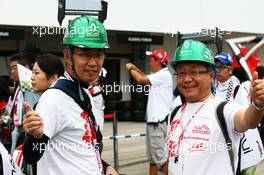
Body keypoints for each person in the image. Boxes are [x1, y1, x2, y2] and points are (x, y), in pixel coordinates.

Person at [22, 16, 117, 175]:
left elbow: (82, 147)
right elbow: (30, 156)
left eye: (98, 54)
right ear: (67, 56)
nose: (93, 63)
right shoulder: (54, 99)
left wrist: (105, 166)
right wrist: (36, 136)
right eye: (85, 54)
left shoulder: (84, 92)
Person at [167, 39, 264, 175]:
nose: (187, 79)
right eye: (181, 73)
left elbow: (247, 120)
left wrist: (258, 105)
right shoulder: (174, 113)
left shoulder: (223, 110)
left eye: (194, 72)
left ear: (211, 75)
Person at [215, 52, 264, 174]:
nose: (218, 70)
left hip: (234, 142)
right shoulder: (211, 87)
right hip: (215, 140)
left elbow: (246, 118)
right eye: (215, 66)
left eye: (221, 67)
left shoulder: (237, 89)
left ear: (229, 69)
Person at [126, 49, 173, 175]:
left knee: (160, 160)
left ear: (158, 61)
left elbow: (141, 80)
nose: (149, 63)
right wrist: (136, 69)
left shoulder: (163, 75)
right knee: (153, 159)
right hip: (155, 121)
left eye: (151, 60)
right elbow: (145, 77)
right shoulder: (161, 75)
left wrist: (130, 69)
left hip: (157, 122)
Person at [6, 53, 41, 154]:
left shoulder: (31, 86)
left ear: (25, 68)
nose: (12, 72)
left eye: (15, 68)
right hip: (18, 134)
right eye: (11, 69)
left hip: (29, 135)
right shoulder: (19, 87)